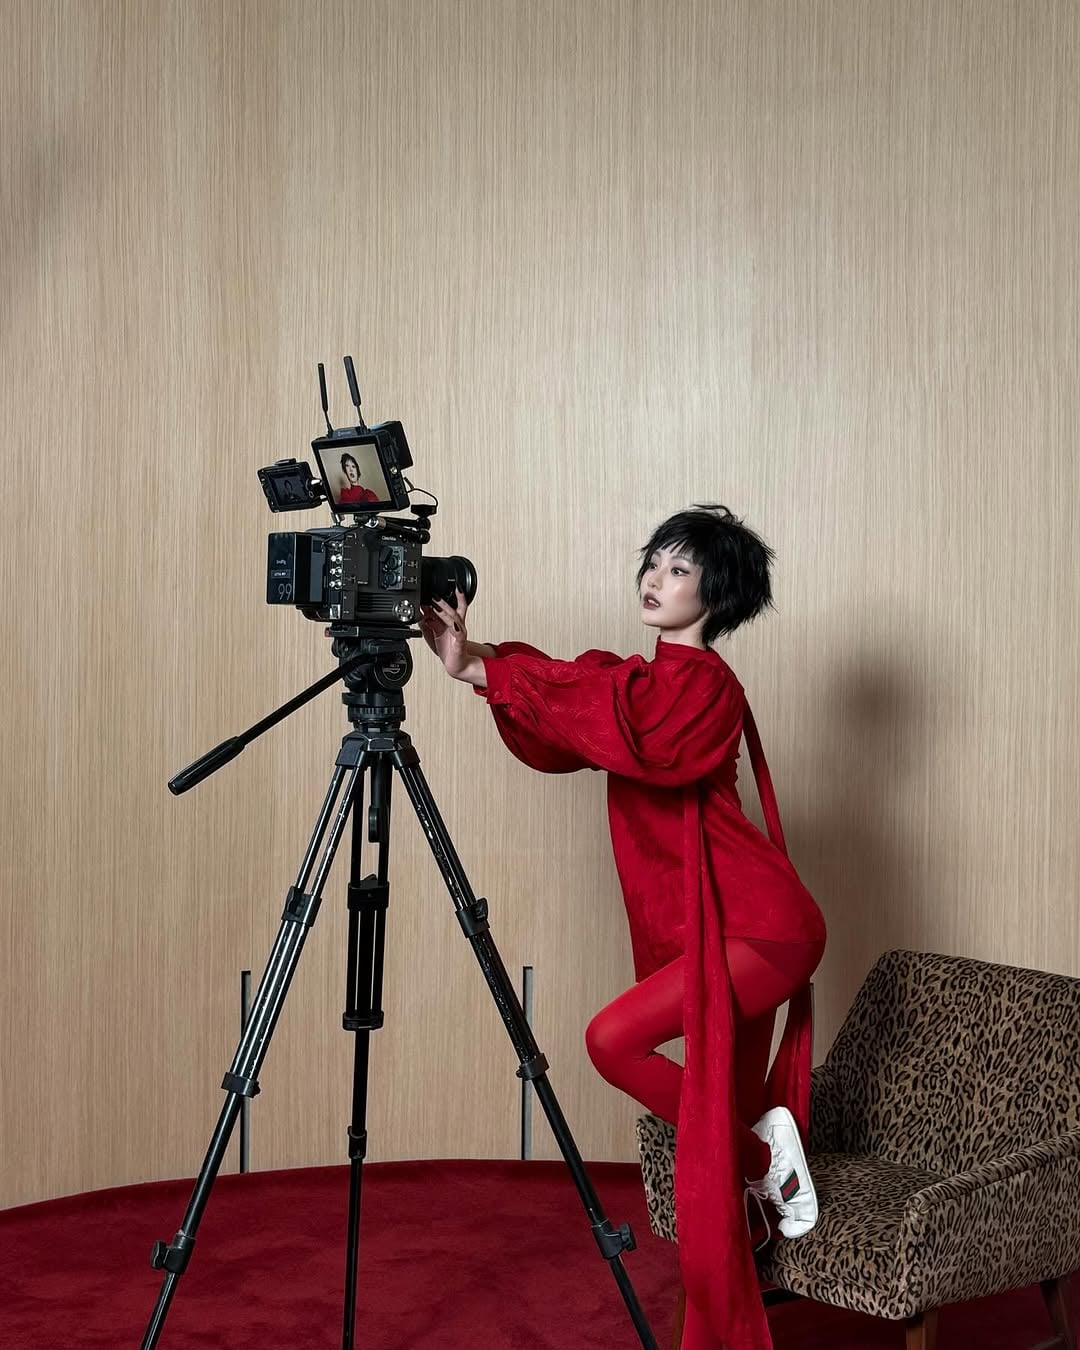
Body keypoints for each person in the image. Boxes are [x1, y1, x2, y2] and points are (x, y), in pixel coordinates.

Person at [421, 505, 827, 1350]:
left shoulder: (705, 689)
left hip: (766, 927)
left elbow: (622, 724)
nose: (655, 578)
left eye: (679, 570)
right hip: (727, 932)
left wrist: (493, 670)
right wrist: (472, 663)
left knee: (611, 1041)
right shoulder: (630, 683)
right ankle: (760, 1153)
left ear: (717, 594)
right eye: (653, 561)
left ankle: (762, 1159)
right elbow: (578, 698)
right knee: (709, 1085)